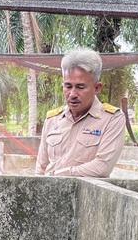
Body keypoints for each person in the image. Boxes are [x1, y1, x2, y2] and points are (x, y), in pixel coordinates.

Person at [35, 48, 126, 177]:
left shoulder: (112, 119)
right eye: (68, 86)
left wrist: (59, 174)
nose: (72, 94)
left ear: (97, 88)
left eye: (80, 87)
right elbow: (41, 168)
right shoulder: (52, 119)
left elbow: (102, 167)